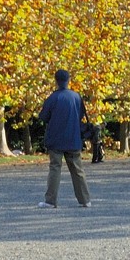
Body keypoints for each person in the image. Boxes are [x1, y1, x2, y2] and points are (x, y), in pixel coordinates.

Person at [39, 70, 92, 208]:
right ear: (69, 80)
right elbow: (81, 115)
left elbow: (44, 116)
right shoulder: (76, 97)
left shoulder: (52, 98)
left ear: (56, 81)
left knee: (55, 168)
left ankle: (50, 201)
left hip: (55, 139)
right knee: (77, 170)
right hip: (73, 138)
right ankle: (85, 199)